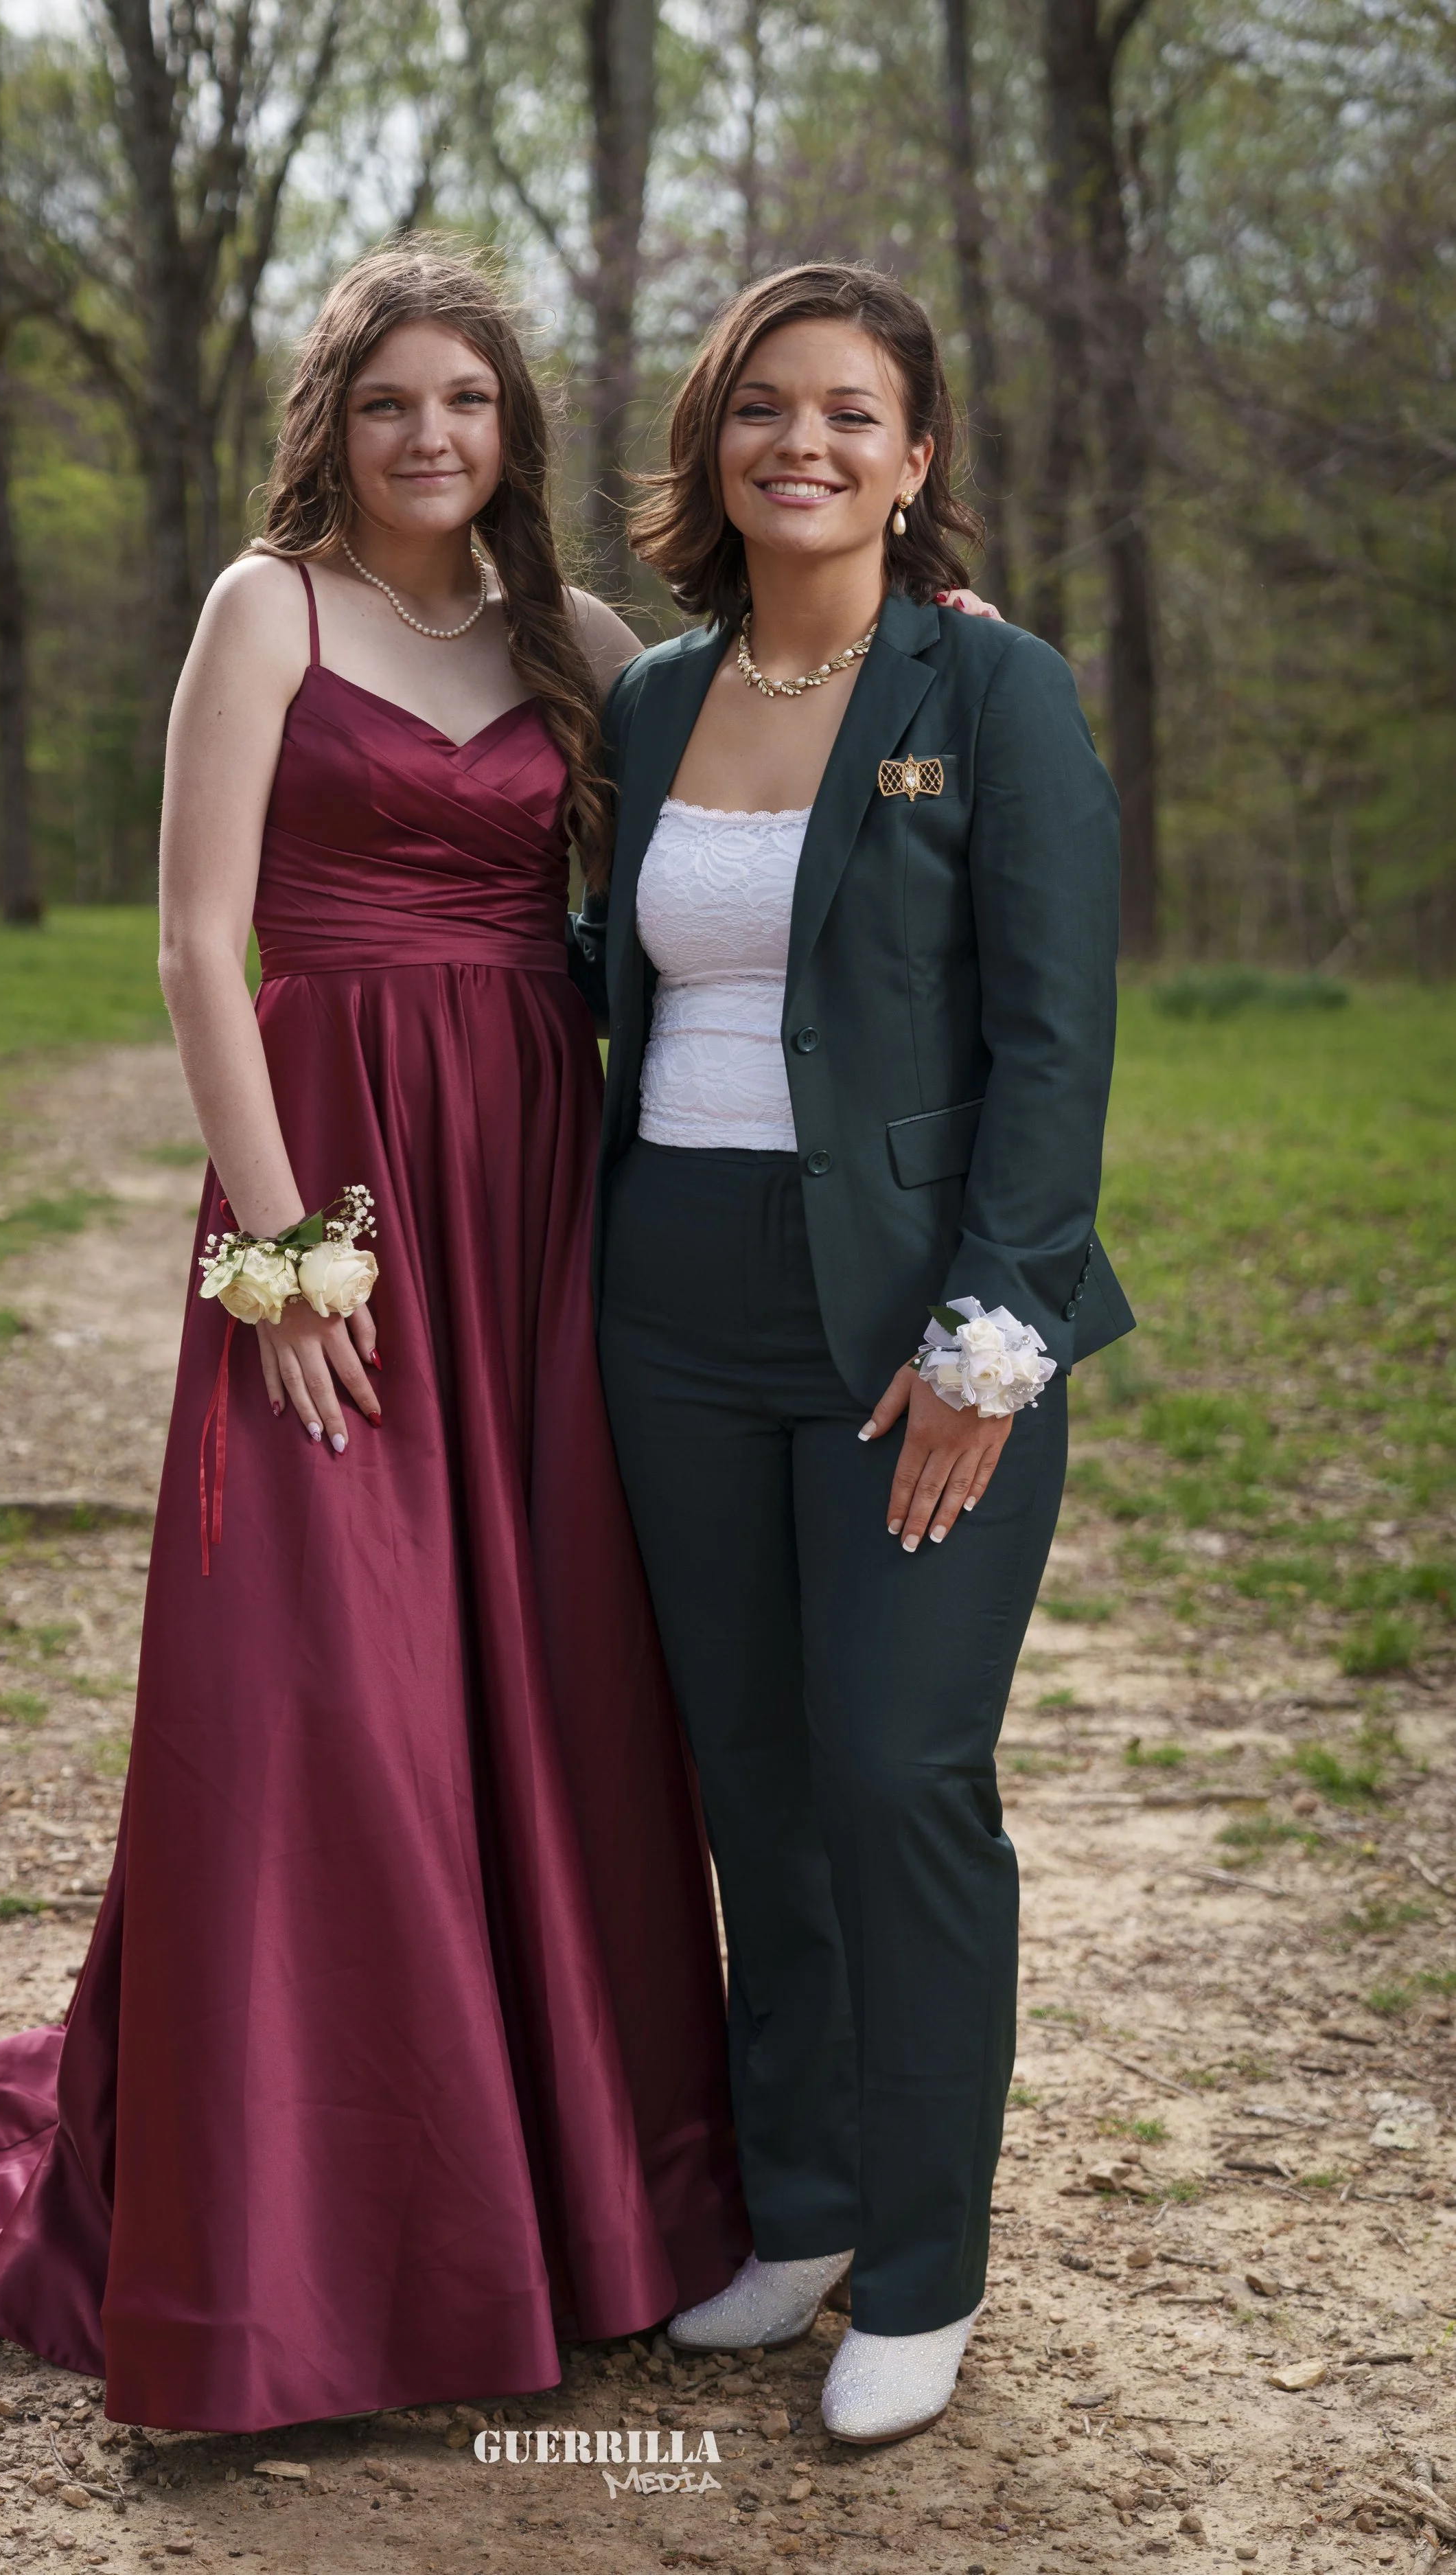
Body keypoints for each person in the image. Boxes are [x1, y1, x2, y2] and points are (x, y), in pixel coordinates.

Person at [0, 243, 754, 2432]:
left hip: (540, 1182)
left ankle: (574, 2204)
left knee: (546, 1671)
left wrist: (934, 647)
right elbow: (192, 942)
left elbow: (749, 816)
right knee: (311, 1684)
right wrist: (280, 1257)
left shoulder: (582, 646)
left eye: (466, 400)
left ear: (512, 428)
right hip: (335, 1165)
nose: (429, 435)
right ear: (331, 424)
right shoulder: (265, 607)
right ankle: (295, 2249)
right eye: (388, 403)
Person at [589, 261, 1135, 2446]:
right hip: (666, 1297)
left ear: (915, 462)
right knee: (754, 1777)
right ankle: (798, 2203)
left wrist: (990, 1335)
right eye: (758, 410)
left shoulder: (988, 690)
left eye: (847, 414)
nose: (797, 444)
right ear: (713, 448)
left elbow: (1054, 1034)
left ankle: (922, 2260)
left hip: (913, 1310)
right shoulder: (648, 699)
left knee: (899, 1769)